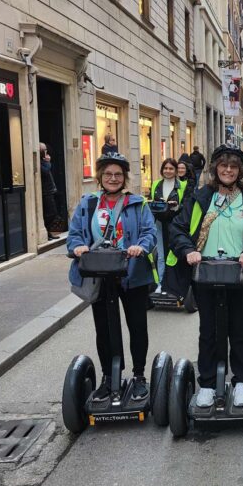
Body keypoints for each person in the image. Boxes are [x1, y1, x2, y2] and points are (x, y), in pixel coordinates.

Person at [169, 145, 243, 408]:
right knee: (209, 332)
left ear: (240, 171)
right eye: (223, 166)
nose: (228, 170)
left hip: (240, 276)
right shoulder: (200, 198)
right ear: (215, 169)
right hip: (206, 275)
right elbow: (178, 229)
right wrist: (188, 250)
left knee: (239, 331)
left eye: (233, 166)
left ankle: (242, 382)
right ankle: (208, 383)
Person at [67, 153, 157, 402]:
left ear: (125, 177)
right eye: (108, 174)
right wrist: (77, 247)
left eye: (118, 174)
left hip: (132, 273)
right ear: (100, 177)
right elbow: (74, 234)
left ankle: (139, 376)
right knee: (104, 329)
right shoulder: (88, 204)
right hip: (99, 273)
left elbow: (150, 231)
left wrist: (141, 246)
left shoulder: (138, 203)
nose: (113, 179)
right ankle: (109, 377)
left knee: (137, 326)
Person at [149, 158, 188, 294]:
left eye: (171, 168)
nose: (168, 171)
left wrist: (177, 206)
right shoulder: (155, 185)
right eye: (166, 168)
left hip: (175, 224)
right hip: (159, 223)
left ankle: (172, 284)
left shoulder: (182, 185)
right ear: (162, 170)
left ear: (176, 170)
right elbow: (151, 201)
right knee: (160, 255)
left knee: (174, 254)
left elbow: (187, 205)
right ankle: (160, 283)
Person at [40, 143, 60, 240]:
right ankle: (46, 232)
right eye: (44, 150)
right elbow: (45, 171)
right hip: (45, 191)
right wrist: (48, 162)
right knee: (51, 213)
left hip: (50, 190)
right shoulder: (40, 162)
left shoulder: (43, 161)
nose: (46, 152)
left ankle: (48, 232)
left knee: (52, 213)